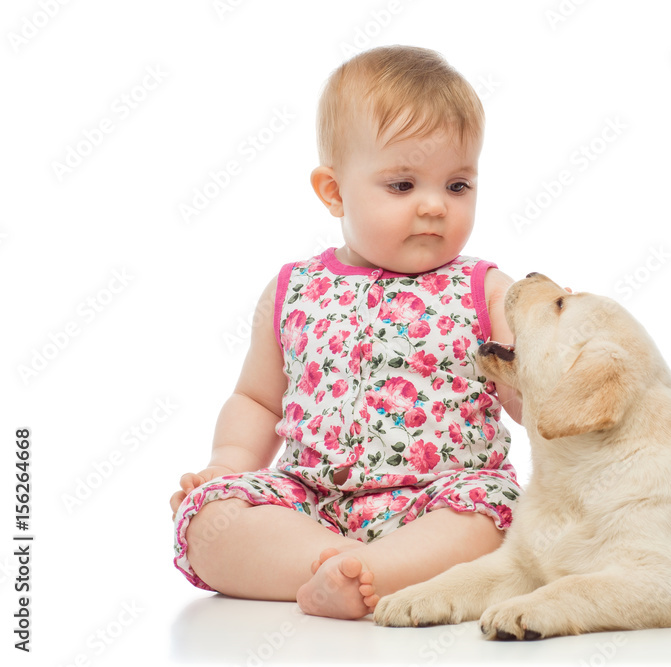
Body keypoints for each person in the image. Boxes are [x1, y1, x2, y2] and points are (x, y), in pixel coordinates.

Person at [169, 45, 522, 621]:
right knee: (208, 517)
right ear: (334, 191)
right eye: (403, 185)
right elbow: (257, 398)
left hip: (440, 499)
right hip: (312, 501)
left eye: (457, 186)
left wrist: (556, 386)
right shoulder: (294, 288)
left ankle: (368, 571)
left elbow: (526, 392)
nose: (434, 206)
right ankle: (341, 565)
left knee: (496, 513)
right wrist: (228, 463)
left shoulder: (486, 290)